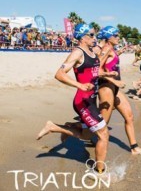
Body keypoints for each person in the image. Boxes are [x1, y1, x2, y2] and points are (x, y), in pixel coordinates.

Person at [36, 24, 116, 173]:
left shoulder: (91, 51)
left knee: (86, 134)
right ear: (83, 37)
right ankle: (99, 172)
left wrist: (106, 74)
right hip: (83, 101)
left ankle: (53, 127)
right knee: (104, 134)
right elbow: (59, 74)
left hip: (91, 99)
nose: (95, 38)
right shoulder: (77, 53)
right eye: (91, 35)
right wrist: (78, 85)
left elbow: (92, 73)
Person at [97, 26, 141, 155]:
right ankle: (66, 129)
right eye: (115, 35)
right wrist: (114, 80)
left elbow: (110, 63)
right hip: (106, 88)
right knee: (102, 124)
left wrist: (120, 53)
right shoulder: (106, 49)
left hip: (114, 89)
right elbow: (96, 70)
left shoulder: (112, 49)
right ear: (108, 37)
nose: (118, 38)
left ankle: (134, 148)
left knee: (129, 116)